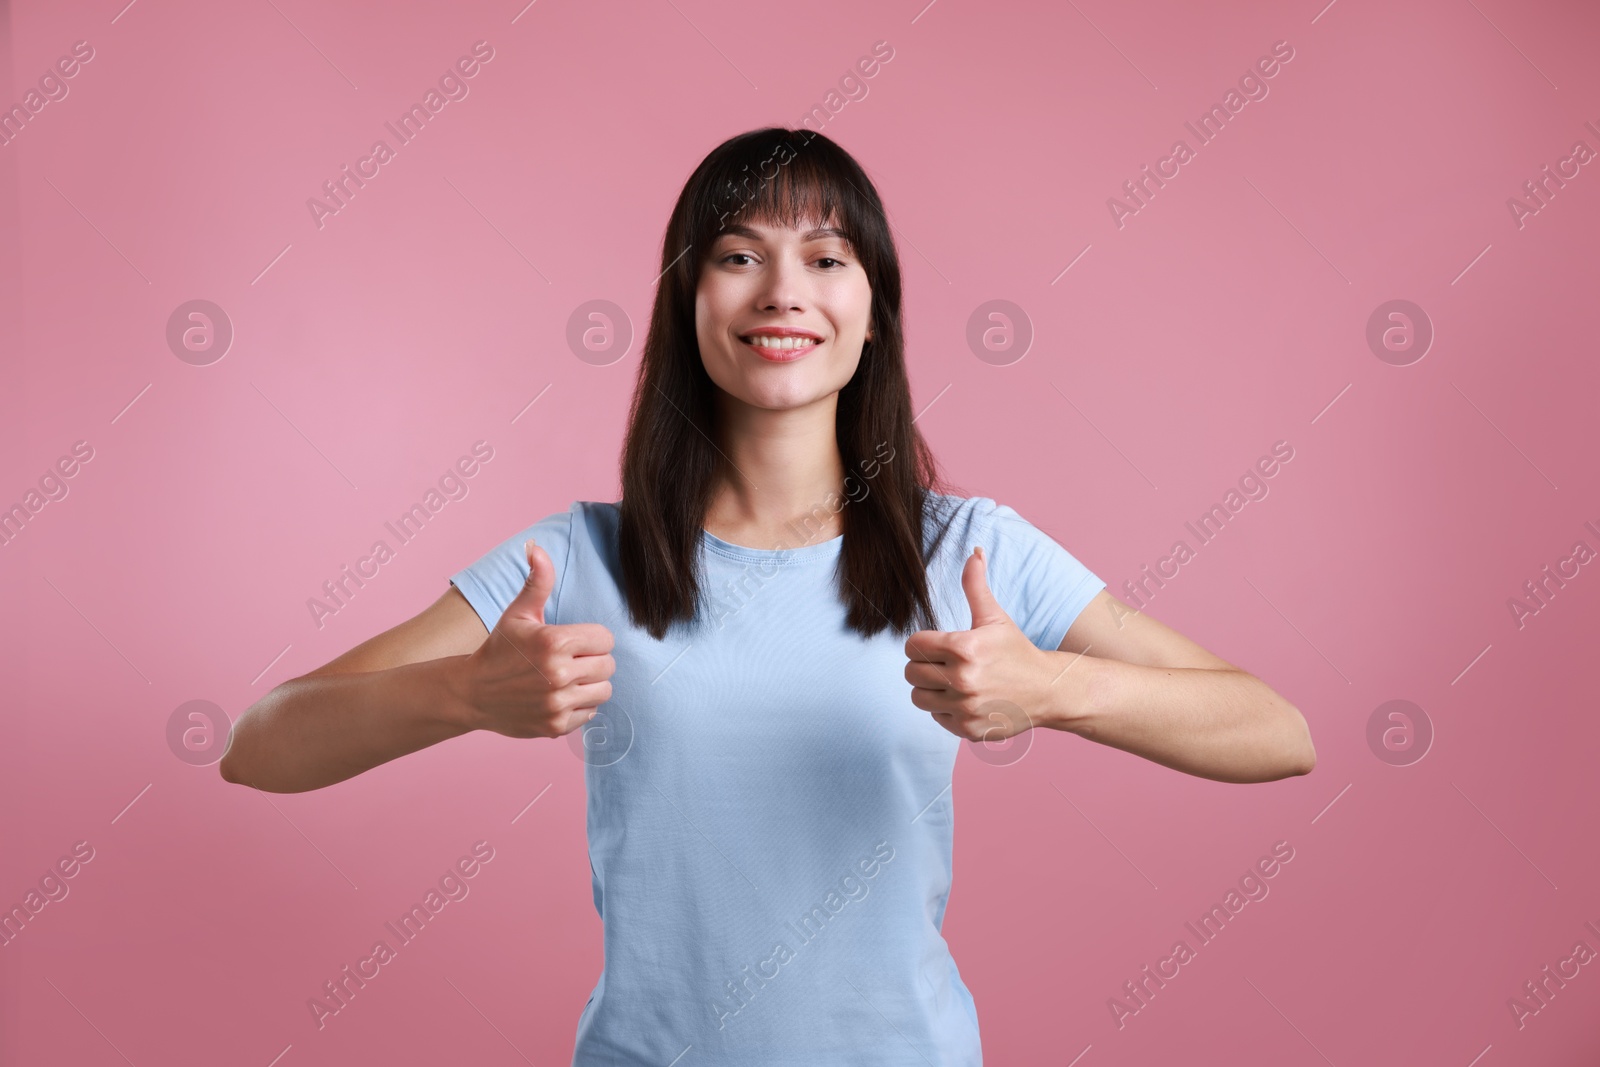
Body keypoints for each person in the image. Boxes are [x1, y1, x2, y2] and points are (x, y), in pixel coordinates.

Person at [220, 127, 1315, 1065]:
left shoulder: (974, 551)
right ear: (688, 303)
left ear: (875, 308)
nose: (783, 292)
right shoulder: (577, 560)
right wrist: (463, 692)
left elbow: (1277, 730)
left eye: (826, 257)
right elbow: (261, 743)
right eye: (738, 254)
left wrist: (1058, 687)